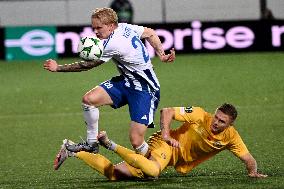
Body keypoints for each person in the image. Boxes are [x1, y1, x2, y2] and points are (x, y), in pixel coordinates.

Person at [44, 7, 175, 155]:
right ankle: (91, 143)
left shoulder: (112, 44)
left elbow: (86, 65)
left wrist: (58, 68)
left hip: (145, 89)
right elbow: (150, 33)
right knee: (89, 100)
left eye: (99, 27)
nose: (96, 32)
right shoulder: (125, 27)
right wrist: (162, 54)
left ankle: (152, 166)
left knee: (136, 140)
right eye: (93, 28)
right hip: (126, 82)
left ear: (111, 25)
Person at [54, 103, 268, 180]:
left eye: (222, 122)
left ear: (229, 125)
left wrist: (252, 172)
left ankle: (72, 150)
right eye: (216, 117)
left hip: (172, 158)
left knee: (114, 174)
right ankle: (109, 143)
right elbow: (167, 111)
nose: (216, 123)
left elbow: (248, 158)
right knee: (154, 171)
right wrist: (166, 134)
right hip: (164, 145)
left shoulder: (231, 137)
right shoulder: (200, 115)